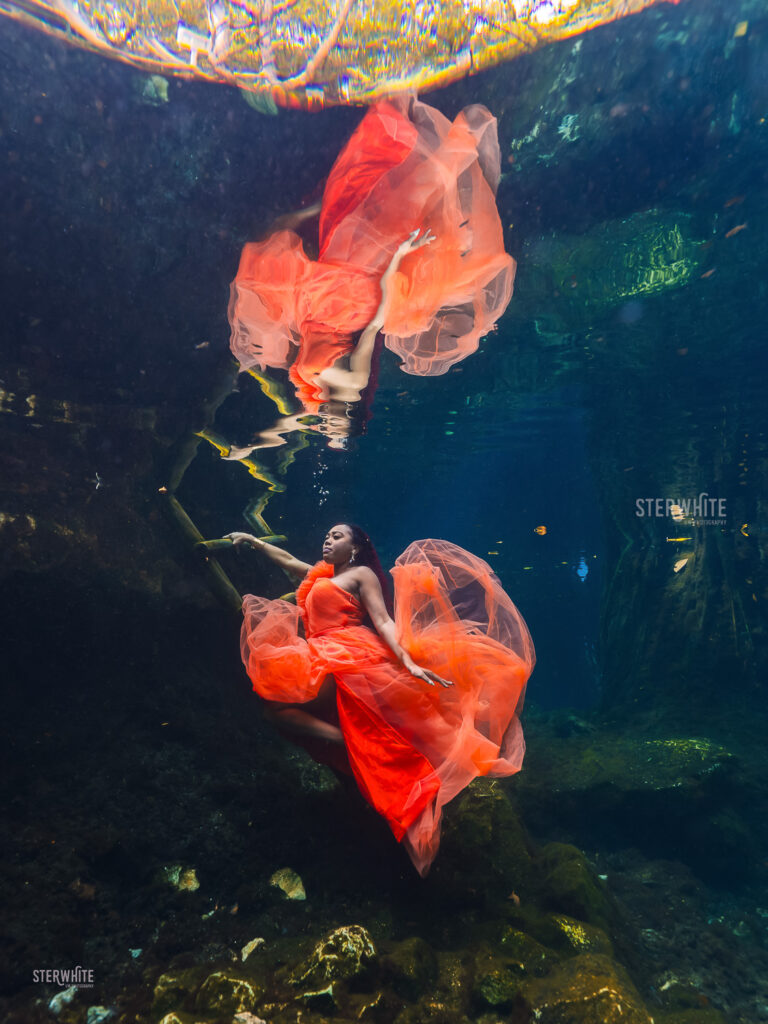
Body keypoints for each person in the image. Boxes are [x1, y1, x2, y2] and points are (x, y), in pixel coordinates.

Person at [225, 523, 535, 876]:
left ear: (355, 547)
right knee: (275, 708)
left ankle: (364, 749)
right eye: (326, 534)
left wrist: (407, 661)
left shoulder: (361, 575)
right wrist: (252, 541)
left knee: (403, 723)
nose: (327, 539)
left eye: (337, 536)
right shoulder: (322, 573)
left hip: (350, 652)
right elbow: (288, 560)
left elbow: (384, 621)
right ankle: (348, 741)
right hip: (321, 653)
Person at [227, 93, 516, 450]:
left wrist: (250, 449)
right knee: (395, 210)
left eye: (324, 430)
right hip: (350, 300)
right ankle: (446, 140)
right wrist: (399, 258)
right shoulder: (353, 382)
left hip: (313, 306)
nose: (323, 426)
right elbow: (376, 324)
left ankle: (395, 129)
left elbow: (287, 426)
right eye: (332, 429)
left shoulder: (314, 399)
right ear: (345, 416)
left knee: (346, 211)